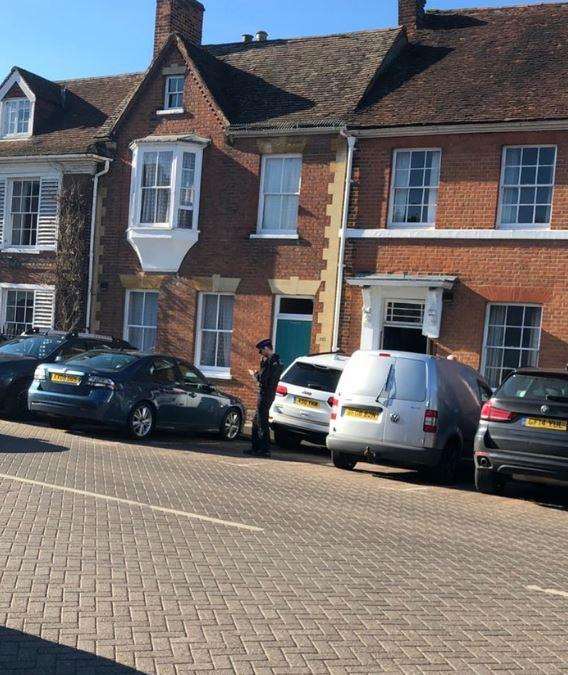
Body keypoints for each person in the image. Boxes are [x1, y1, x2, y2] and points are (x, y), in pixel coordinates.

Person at [246, 339, 283, 457]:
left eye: (262, 351)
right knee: (256, 421)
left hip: (265, 395)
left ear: (267, 348)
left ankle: (264, 449)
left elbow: (263, 379)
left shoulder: (270, 363)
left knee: (261, 422)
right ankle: (256, 448)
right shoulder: (276, 361)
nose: (261, 354)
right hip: (269, 394)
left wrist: (254, 375)